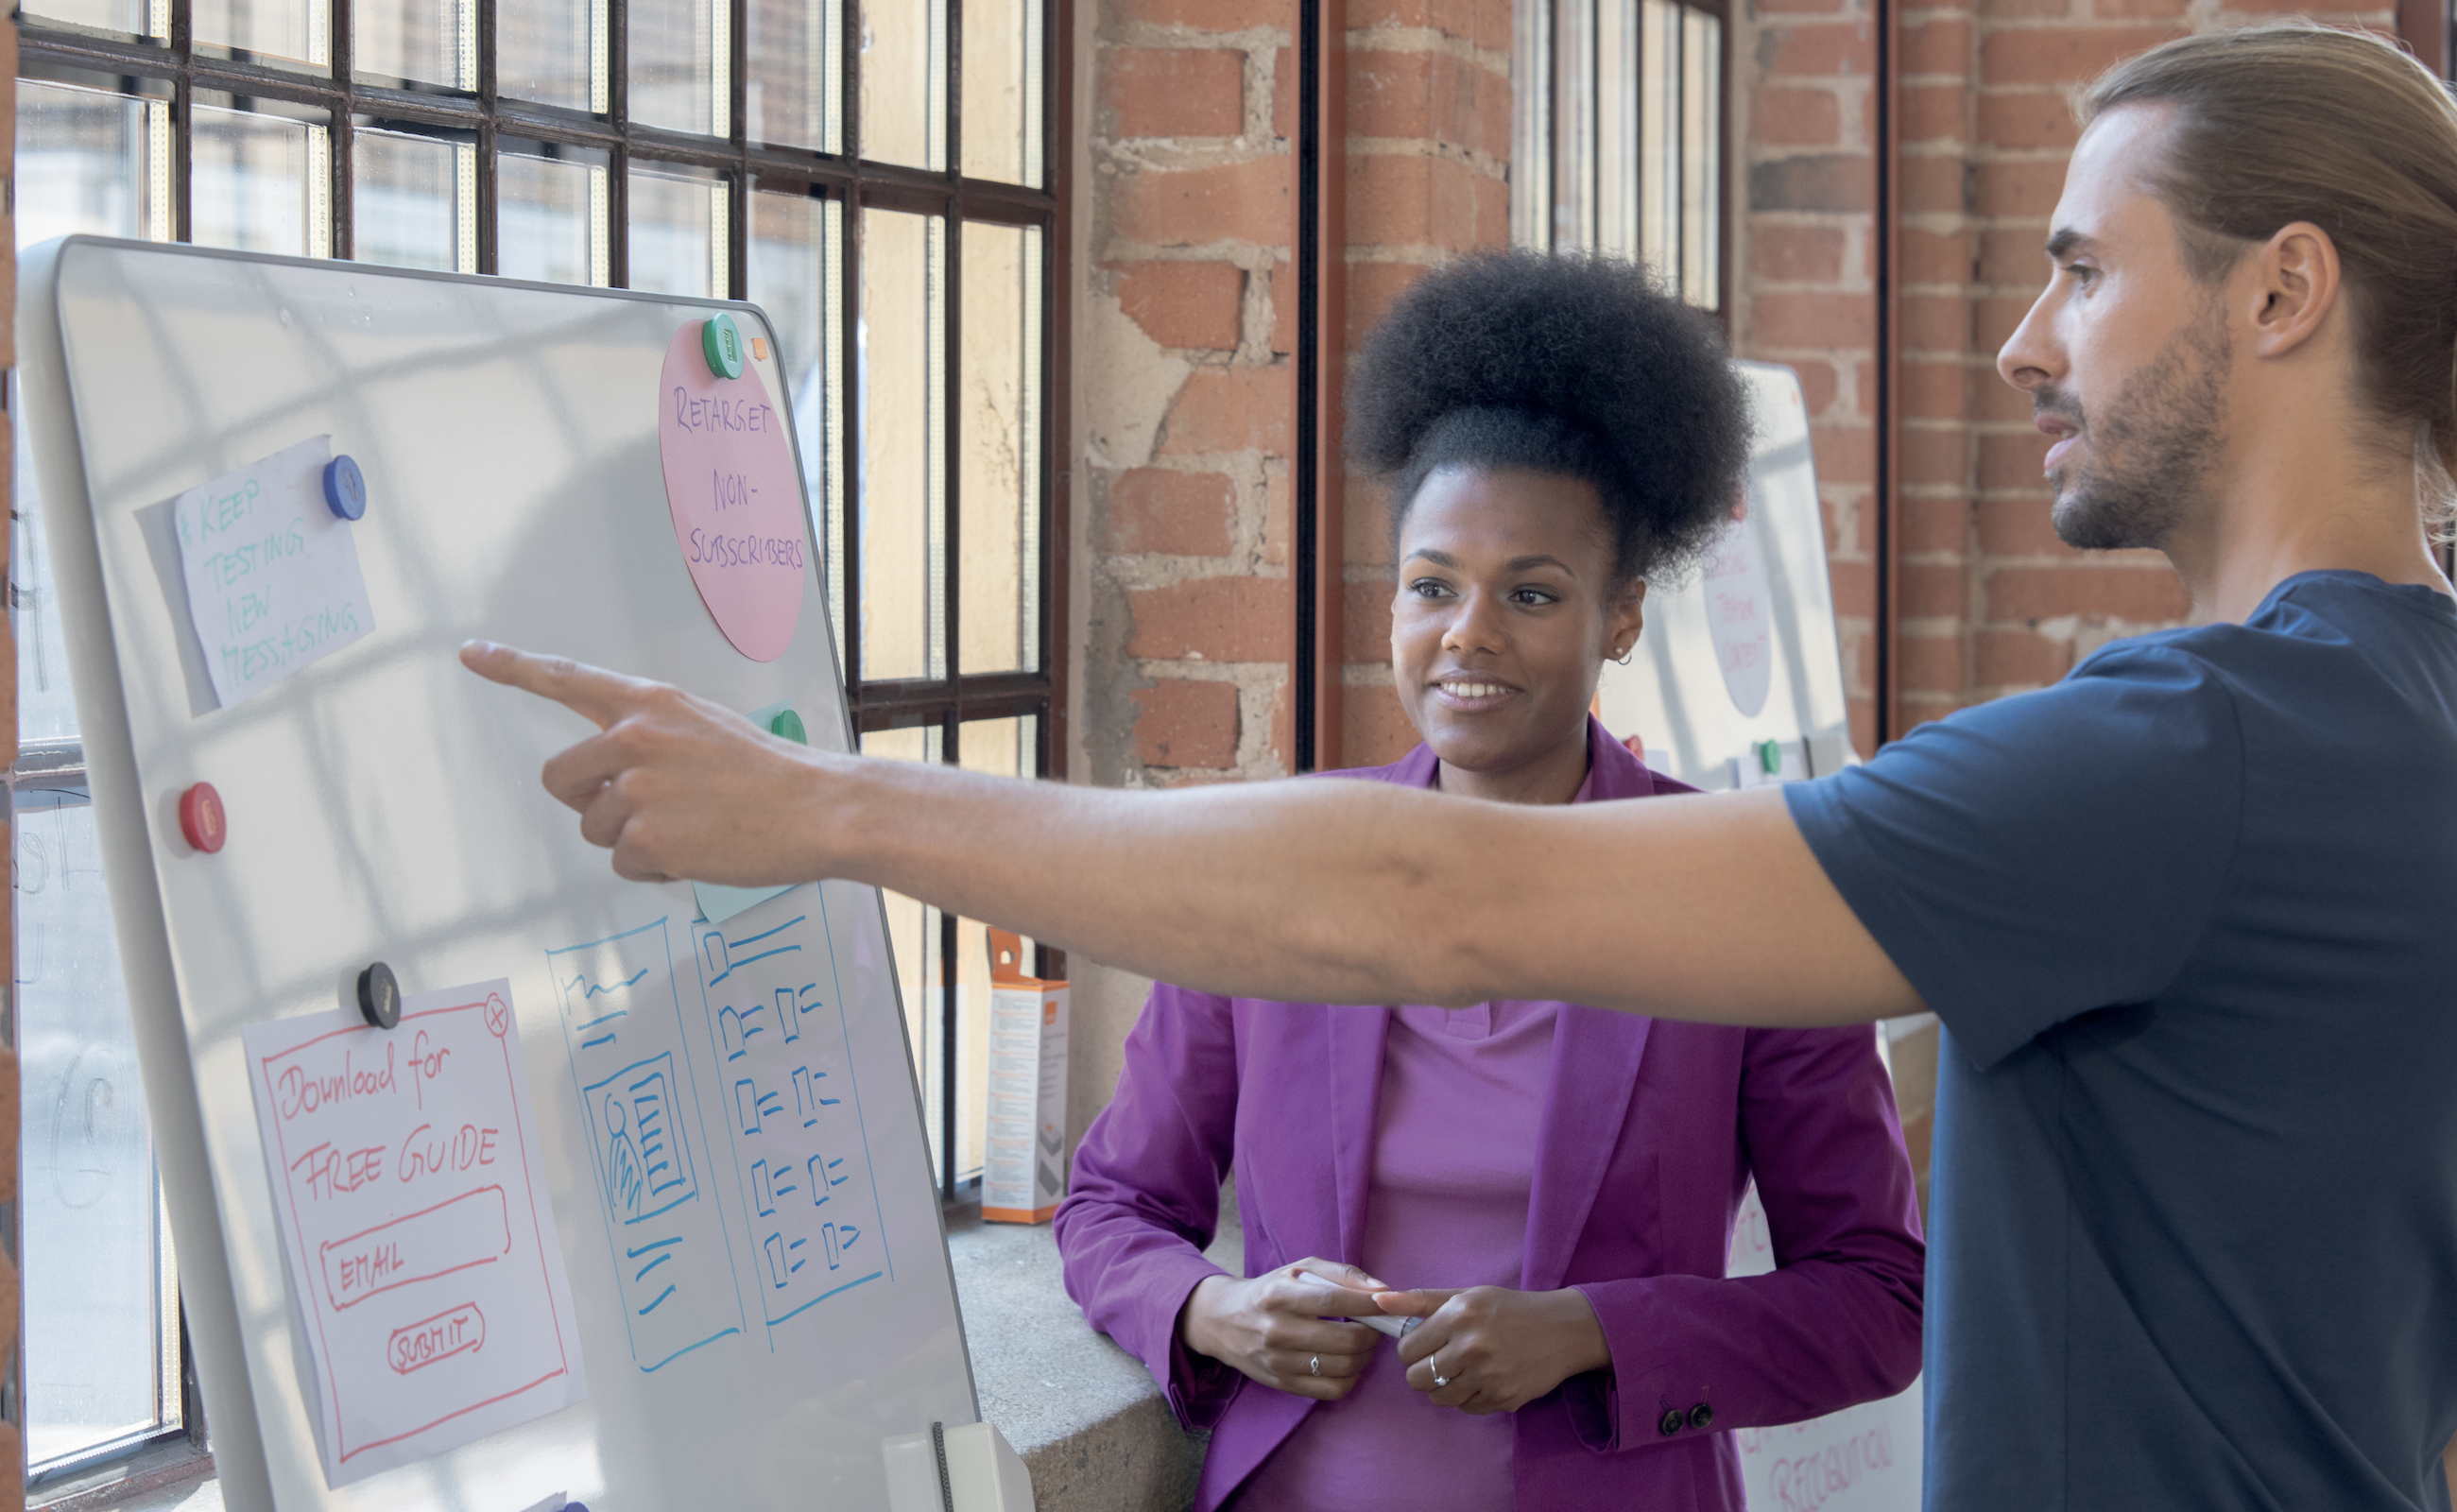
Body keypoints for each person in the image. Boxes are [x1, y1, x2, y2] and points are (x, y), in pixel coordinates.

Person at [463, 24, 2457, 1508]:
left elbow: (1433, 899)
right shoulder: (2408, 719)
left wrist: (828, 808)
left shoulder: (2180, 752)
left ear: (2283, 291)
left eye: (2084, 270)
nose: (2028, 341)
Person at [1052, 252, 1923, 1512]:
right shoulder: (1286, 875)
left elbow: (1876, 1299)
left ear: (1620, 617)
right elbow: (1112, 1203)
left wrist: (1594, 1333)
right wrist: (1209, 1308)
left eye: (1530, 593)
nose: (1467, 635)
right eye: (1430, 588)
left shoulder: (1745, 896)